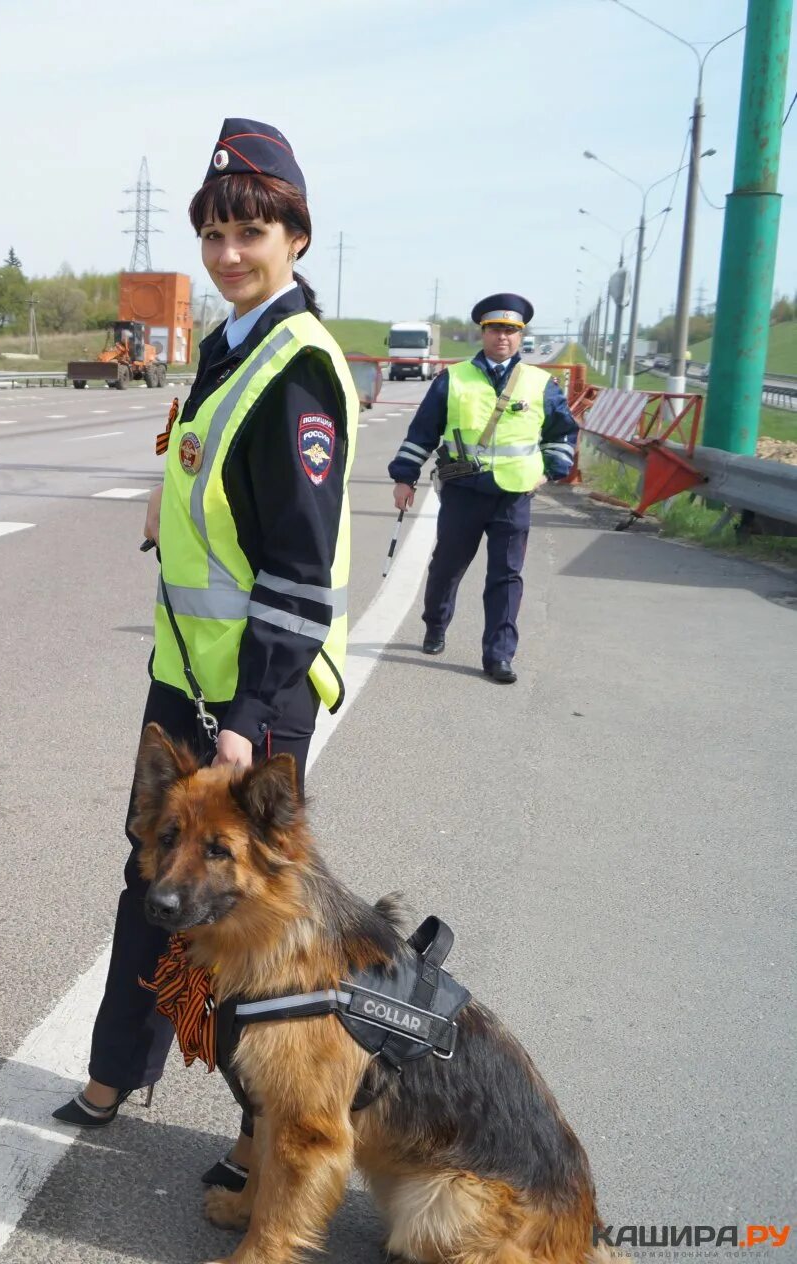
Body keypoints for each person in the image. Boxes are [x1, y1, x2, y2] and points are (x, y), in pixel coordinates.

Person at [51, 120, 358, 1195]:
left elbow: (297, 574)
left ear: (296, 236)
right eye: (216, 231)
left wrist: (242, 717)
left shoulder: (297, 370)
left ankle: (255, 1131)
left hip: (249, 704)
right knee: (151, 877)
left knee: (243, 926)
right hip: (185, 683)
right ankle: (112, 1070)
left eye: (253, 229)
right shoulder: (232, 348)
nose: (230, 251)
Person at [389, 295, 578, 683]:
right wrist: (404, 476)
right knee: (447, 567)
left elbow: (562, 433)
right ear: (484, 332)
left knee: (507, 576)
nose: (503, 337)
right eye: (496, 329)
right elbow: (423, 431)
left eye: (511, 330)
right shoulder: (454, 377)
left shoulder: (540, 383)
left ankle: (499, 655)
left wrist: (551, 470)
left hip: (514, 495)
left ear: (520, 335)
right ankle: (436, 624)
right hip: (463, 490)